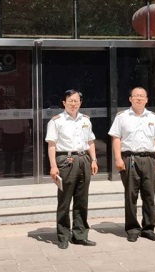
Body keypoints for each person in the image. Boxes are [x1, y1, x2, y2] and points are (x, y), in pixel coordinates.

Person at [108, 87, 155, 242]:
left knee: (149, 195)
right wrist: (118, 158)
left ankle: (148, 228)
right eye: (136, 96)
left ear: (146, 99)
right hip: (130, 159)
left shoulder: (152, 117)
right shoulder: (122, 117)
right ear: (130, 99)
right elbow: (116, 138)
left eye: (142, 96)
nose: (139, 98)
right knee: (131, 195)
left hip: (149, 159)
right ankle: (132, 228)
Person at [46, 89, 98, 249]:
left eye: (76, 101)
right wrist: (53, 166)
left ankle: (80, 235)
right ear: (64, 103)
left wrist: (94, 160)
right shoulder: (56, 121)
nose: (73, 104)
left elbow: (90, 142)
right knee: (65, 200)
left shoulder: (86, 120)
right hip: (66, 161)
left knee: (82, 200)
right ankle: (63, 236)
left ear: (80, 103)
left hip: (84, 159)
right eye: (70, 101)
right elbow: (52, 145)